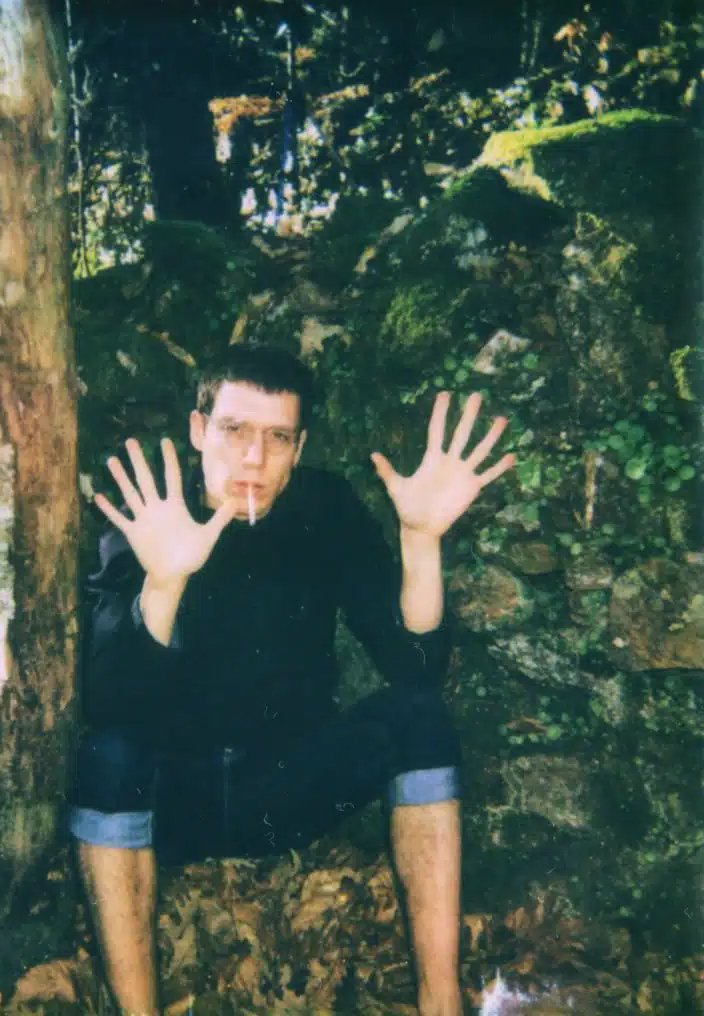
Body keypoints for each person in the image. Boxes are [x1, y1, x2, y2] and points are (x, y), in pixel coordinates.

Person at [69, 343, 515, 1016]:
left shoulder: (324, 508)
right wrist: (164, 580)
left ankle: (441, 1001)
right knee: (108, 757)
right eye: (234, 430)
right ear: (198, 430)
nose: (254, 458)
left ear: (299, 447)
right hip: (174, 801)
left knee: (418, 719)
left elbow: (416, 669)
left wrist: (421, 542)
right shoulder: (153, 515)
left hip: (287, 788)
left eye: (277, 438)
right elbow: (109, 703)